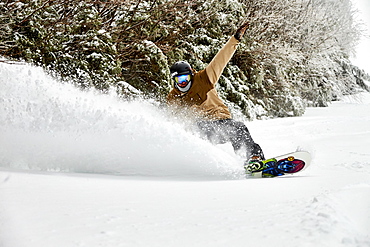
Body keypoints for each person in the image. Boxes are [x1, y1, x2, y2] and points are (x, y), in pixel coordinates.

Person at [167, 22, 265, 164]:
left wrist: (235, 39)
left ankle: (251, 158)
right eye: (179, 80)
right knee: (198, 128)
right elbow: (171, 119)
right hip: (201, 127)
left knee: (239, 128)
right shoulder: (173, 97)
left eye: (185, 78)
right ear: (174, 81)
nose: (183, 83)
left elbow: (220, 60)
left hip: (222, 121)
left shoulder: (204, 79)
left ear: (191, 75)